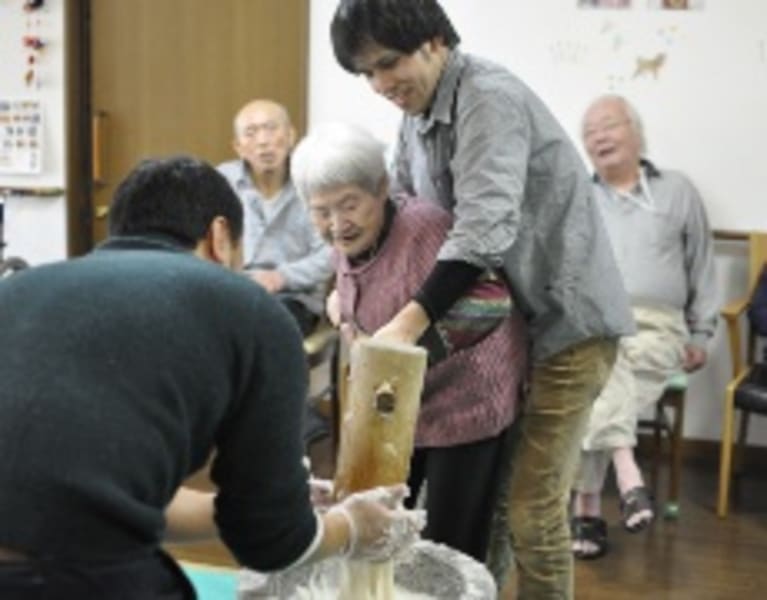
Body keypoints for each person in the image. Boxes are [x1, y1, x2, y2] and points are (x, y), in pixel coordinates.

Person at [0, 156, 423, 599]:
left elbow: (111, 502)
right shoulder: (249, 307)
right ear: (220, 237)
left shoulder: (17, 290)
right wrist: (352, 527)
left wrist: (289, 504)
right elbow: (271, 543)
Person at [330, 1, 635, 597]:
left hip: (569, 327)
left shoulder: (486, 98)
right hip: (513, 326)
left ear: (436, 40)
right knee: (494, 512)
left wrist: (406, 323)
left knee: (532, 510)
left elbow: (483, 230)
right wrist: (343, 291)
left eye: (388, 64)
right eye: (366, 73)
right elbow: (409, 219)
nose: (381, 84)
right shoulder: (415, 117)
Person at [290, 122, 527, 564]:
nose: (337, 224)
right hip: (400, 402)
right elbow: (361, 291)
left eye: (349, 205)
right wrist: (342, 307)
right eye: (320, 211)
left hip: (468, 399)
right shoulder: (346, 238)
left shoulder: (425, 228)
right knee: (378, 519)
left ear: (380, 188)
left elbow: (491, 301)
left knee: (450, 542)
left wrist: (398, 358)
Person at [570, 94, 717, 559]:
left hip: (659, 327)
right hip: (599, 323)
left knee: (595, 381)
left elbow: (703, 266)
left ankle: (588, 507)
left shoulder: (676, 190)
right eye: (589, 132)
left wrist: (702, 333)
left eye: (608, 125)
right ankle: (626, 469)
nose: (597, 137)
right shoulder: (580, 197)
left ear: (636, 133)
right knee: (600, 358)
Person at [217, 98, 332, 336]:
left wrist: (281, 277)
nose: (263, 141)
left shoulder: (316, 182)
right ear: (238, 147)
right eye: (251, 132)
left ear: (291, 136)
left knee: (261, 327)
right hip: (234, 291)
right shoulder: (222, 182)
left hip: (295, 297)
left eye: (271, 128)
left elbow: (330, 255)